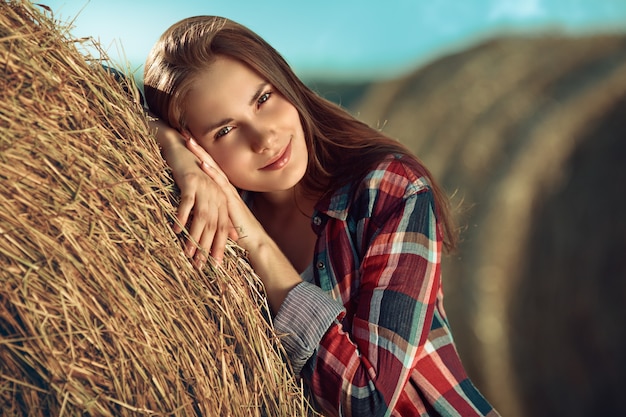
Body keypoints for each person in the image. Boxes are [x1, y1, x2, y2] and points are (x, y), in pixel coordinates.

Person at [143, 15, 499, 417]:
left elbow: (368, 401)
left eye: (263, 99)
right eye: (224, 131)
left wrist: (256, 242)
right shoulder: (200, 203)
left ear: (287, 84)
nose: (264, 138)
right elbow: (97, 85)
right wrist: (173, 150)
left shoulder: (390, 189)